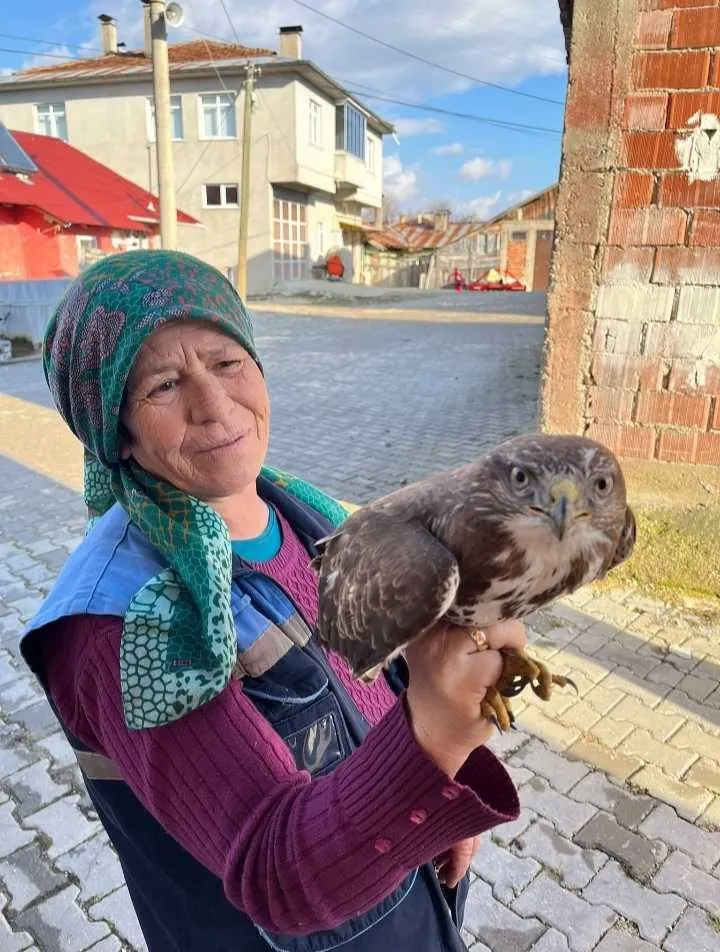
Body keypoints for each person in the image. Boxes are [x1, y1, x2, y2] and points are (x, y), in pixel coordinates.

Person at [21, 250, 526, 952]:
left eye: (226, 363)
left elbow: (379, 687)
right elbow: (274, 875)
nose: (214, 405)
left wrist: (444, 791)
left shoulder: (308, 516)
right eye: (165, 384)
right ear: (117, 431)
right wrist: (439, 734)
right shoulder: (119, 621)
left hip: (408, 902)